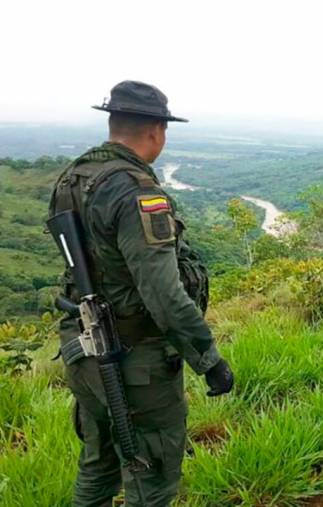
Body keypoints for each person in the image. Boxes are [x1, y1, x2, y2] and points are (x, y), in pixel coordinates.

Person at [48, 81, 234, 506]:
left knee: (98, 468)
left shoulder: (74, 176)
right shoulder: (136, 191)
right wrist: (208, 360)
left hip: (84, 350)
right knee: (152, 480)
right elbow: (164, 294)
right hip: (134, 361)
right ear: (156, 131)